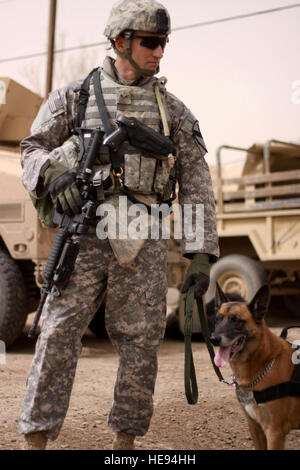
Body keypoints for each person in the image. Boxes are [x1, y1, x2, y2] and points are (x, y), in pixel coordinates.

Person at [18, 0, 219, 450]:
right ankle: (35, 439)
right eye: (150, 42)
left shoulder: (173, 110)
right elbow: (31, 149)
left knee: (141, 340)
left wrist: (200, 253)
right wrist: (54, 174)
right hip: (85, 237)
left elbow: (197, 182)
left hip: (144, 238)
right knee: (56, 334)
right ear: (119, 41)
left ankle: (124, 446)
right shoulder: (75, 97)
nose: (159, 52)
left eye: (163, 42)